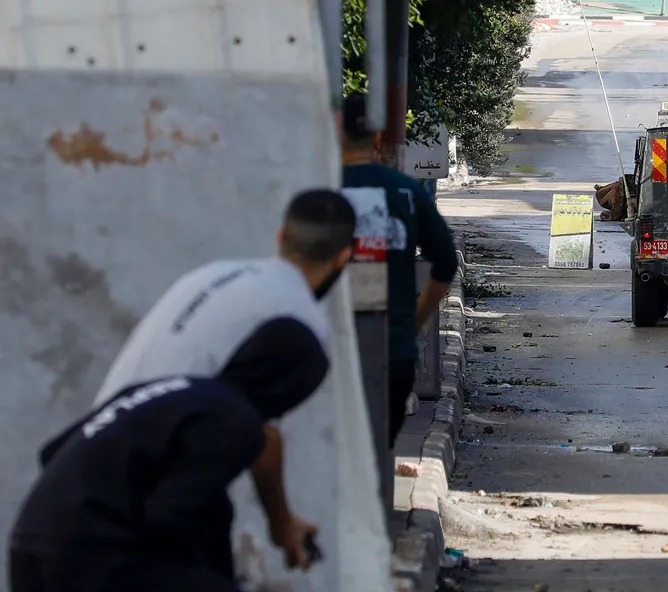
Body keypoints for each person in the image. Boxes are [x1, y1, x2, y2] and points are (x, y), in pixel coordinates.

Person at [7, 189, 356, 592]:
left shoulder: (212, 276)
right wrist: (279, 522)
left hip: (88, 467)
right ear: (343, 257)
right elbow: (259, 434)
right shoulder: (300, 318)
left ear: (280, 238)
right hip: (141, 494)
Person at [341, 94, 458, 449]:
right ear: (379, 138)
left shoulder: (319, 189)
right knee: (378, 450)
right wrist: (415, 319)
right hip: (393, 348)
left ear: (335, 133)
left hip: (330, 350)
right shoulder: (405, 191)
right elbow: (445, 262)